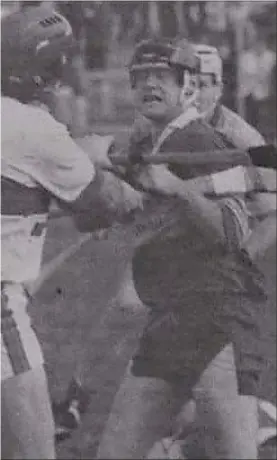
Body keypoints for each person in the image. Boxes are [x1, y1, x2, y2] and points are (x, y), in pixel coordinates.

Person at [96, 38, 272, 459]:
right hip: (170, 321)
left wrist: (180, 190)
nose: (149, 85)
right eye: (141, 77)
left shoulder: (201, 140)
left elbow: (232, 229)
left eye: (162, 77)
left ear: (188, 87)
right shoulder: (151, 142)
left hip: (216, 322)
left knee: (234, 452)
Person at [1, 5, 144, 459]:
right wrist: (142, 187)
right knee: (36, 450)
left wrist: (80, 155)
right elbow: (104, 205)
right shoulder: (35, 128)